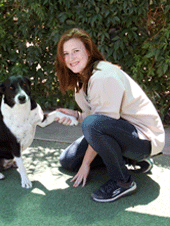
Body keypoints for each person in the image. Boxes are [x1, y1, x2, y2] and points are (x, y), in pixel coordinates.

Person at [54, 28, 165, 203]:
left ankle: (123, 181)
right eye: (66, 53)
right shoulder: (82, 82)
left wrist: (86, 165)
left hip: (145, 139)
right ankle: (130, 159)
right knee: (68, 161)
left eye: (76, 51)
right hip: (124, 133)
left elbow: (99, 124)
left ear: (89, 52)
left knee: (91, 126)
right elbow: (98, 118)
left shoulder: (102, 77)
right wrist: (76, 114)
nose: (70, 58)